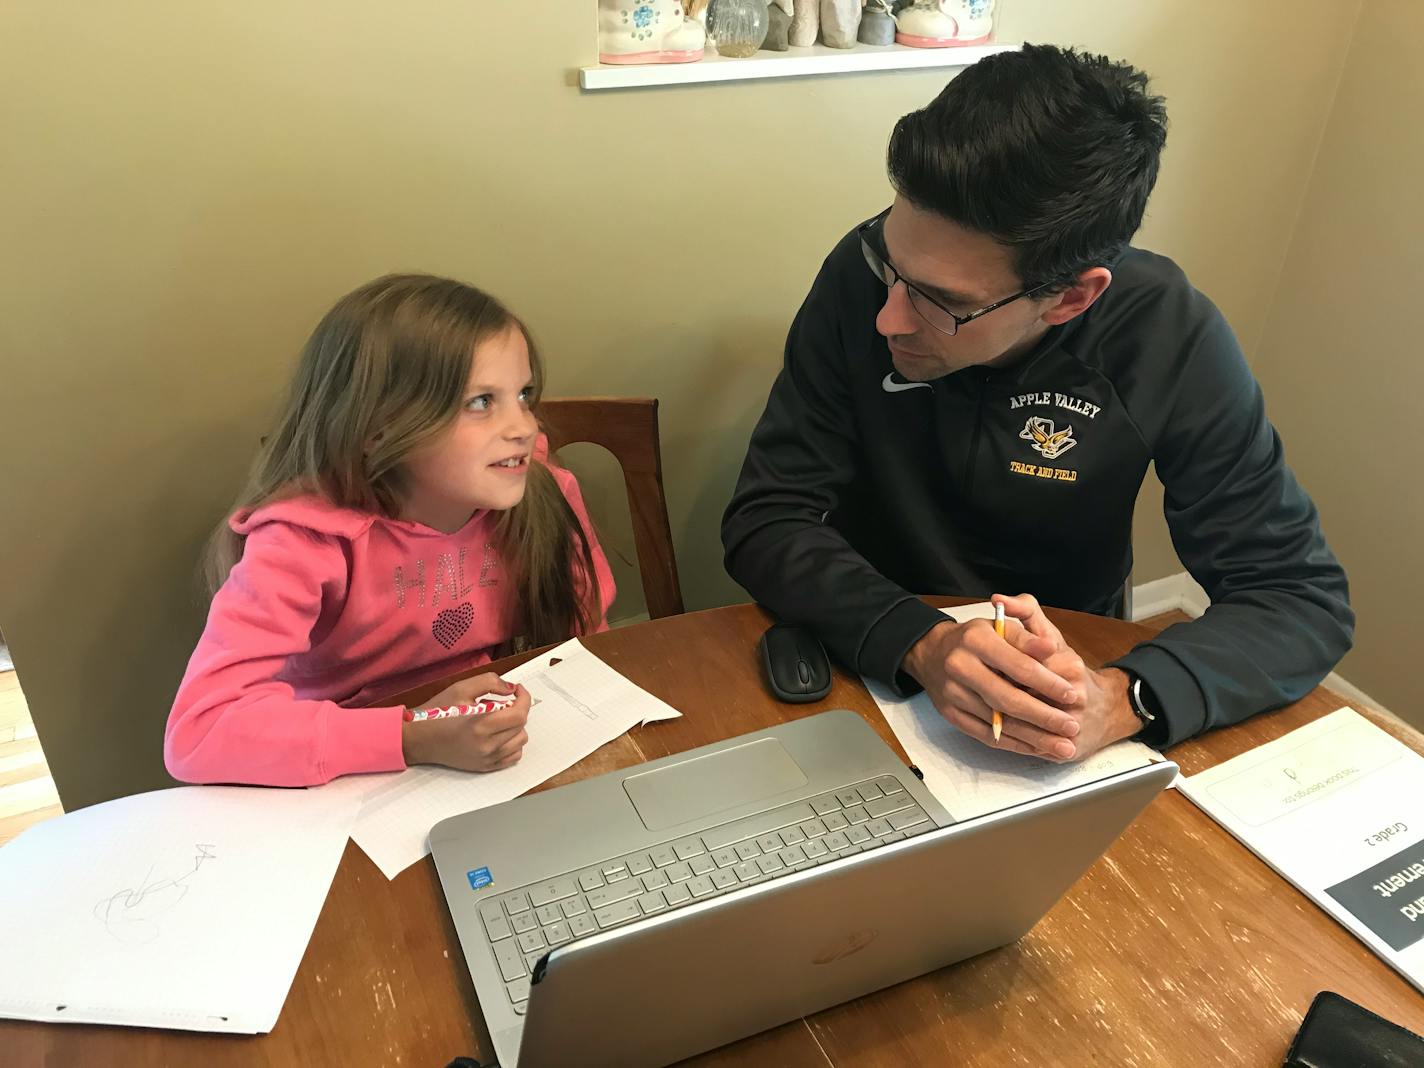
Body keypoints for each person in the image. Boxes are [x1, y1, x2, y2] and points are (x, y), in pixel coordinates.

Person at [721, 44, 1353, 762]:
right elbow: (768, 517)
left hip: (1069, 671)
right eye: (890, 266)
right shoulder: (860, 274)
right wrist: (922, 641)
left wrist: (1122, 697)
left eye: (940, 302)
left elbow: (1299, 597)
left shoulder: (1167, 334)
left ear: (1073, 296)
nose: (888, 318)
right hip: (871, 651)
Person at [165, 274, 615, 786]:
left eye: (523, 394)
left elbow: (588, 637)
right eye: (481, 402)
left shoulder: (544, 491)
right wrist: (412, 737)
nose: (525, 427)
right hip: (347, 779)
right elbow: (199, 733)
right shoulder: (305, 543)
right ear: (378, 428)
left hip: (499, 753)